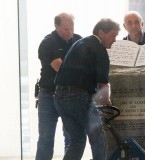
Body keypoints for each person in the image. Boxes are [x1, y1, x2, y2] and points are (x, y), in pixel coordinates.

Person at [54, 18, 120, 160]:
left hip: (59, 96)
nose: (115, 40)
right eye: (113, 35)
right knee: (98, 138)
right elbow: (103, 85)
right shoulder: (99, 49)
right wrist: (108, 101)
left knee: (77, 141)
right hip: (78, 96)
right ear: (101, 33)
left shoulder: (79, 43)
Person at [36, 12, 82, 160]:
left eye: (72, 28)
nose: (70, 32)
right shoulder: (48, 42)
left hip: (71, 96)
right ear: (56, 27)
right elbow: (60, 69)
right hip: (48, 95)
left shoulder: (79, 41)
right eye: (66, 29)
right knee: (45, 139)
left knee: (71, 138)